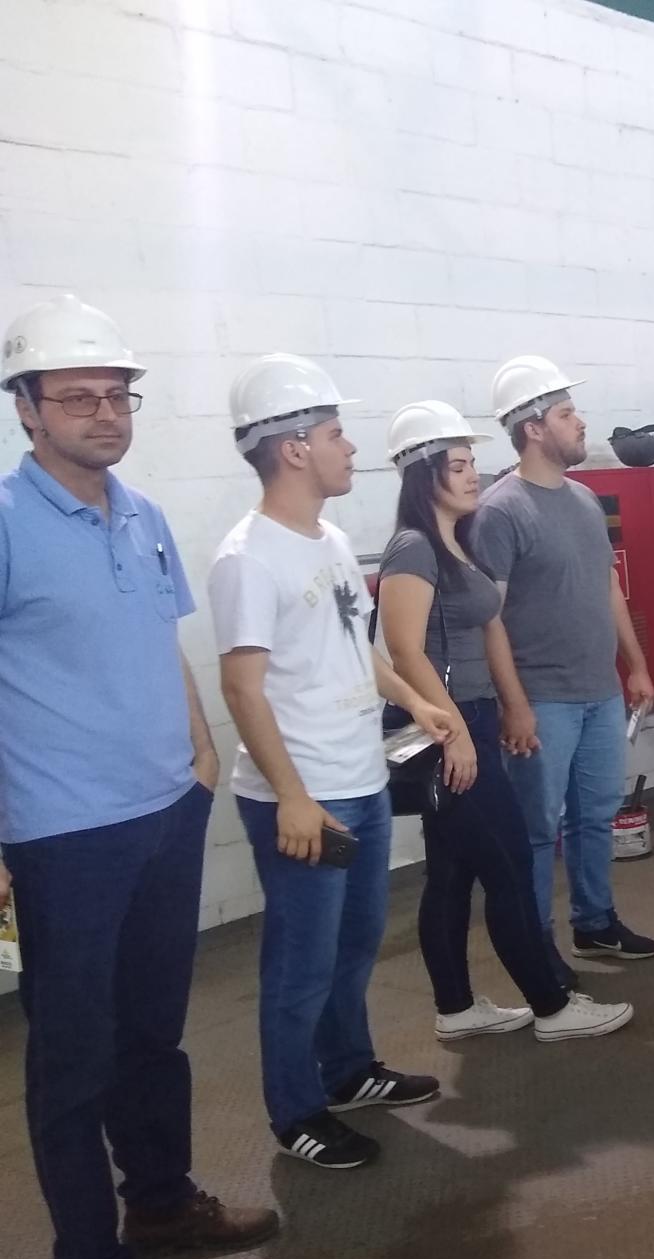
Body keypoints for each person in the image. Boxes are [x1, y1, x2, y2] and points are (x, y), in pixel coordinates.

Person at [0, 297, 278, 1259]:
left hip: (165, 813)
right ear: (27, 410)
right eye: (77, 396)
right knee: (72, 1065)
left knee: (152, 1038)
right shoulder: (8, 521)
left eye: (117, 395)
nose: (104, 413)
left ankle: (159, 1203)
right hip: (63, 834)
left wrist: (199, 759)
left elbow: (162, 643)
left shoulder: (144, 515)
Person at [210, 353, 455, 1171]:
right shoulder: (248, 557)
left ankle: (348, 1070)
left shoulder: (334, 540)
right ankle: (296, 1111)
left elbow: (356, 644)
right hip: (306, 795)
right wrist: (290, 795)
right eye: (335, 434)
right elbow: (242, 688)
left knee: (354, 945)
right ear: (292, 449)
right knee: (300, 964)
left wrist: (414, 701)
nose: (350, 448)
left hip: (362, 780)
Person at [377, 402, 633, 1042]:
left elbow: (487, 624)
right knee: (511, 863)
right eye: (458, 466)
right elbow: (403, 649)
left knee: (452, 872)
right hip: (449, 724)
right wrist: (456, 733)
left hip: (470, 716)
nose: (473, 475)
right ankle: (552, 1005)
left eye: (472, 463)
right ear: (424, 474)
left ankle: (456, 1009)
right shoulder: (413, 547)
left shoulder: (455, 543)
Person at [472, 356, 654, 977]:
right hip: (542, 699)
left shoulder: (583, 500)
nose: (580, 423)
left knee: (595, 815)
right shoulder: (500, 511)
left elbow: (608, 587)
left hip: (599, 691)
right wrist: (514, 704)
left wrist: (635, 665)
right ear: (532, 428)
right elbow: (489, 618)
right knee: (534, 829)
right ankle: (536, 948)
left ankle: (595, 922)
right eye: (566, 414)